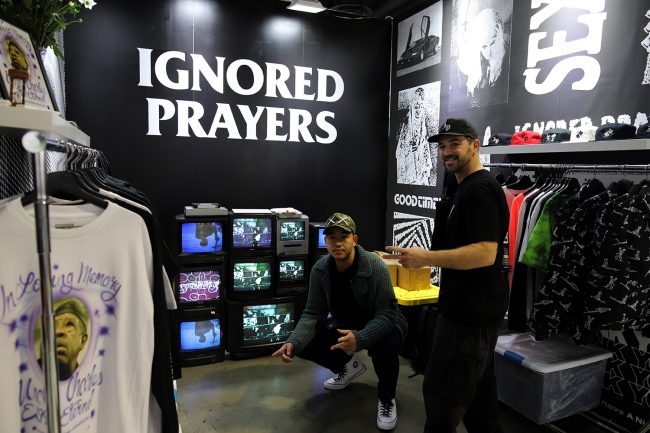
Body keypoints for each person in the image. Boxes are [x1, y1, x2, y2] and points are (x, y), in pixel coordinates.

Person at [385, 118, 509, 433]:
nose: (446, 152)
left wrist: (424, 258)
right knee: (479, 403)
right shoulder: (460, 185)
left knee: (442, 394)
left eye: (455, 143)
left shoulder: (480, 190)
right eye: (442, 146)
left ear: (475, 146)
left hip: (470, 316)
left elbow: (485, 253)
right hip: (468, 310)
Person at [272, 212, 408, 431]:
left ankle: (386, 398)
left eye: (343, 236)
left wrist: (360, 338)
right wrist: (293, 342)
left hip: (382, 322)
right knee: (305, 342)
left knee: (387, 344)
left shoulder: (375, 266)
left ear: (355, 239)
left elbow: (387, 314)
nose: (337, 243)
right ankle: (348, 368)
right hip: (346, 322)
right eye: (331, 237)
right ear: (325, 241)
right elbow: (312, 313)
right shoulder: (320, 269)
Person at [396, 86, 435, 185]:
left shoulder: (423, 126)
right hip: (410, 168)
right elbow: (402, 151)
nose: (418, 111)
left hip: (420, 165)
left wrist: (419, 146)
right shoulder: (407, 126)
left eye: (421, 107)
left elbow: (424, 146)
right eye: (416, 107)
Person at [51, 298, 90, 381]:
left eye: (69, 324)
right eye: (54, 325)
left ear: (82, 341)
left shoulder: (85, 377)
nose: (58, 331)